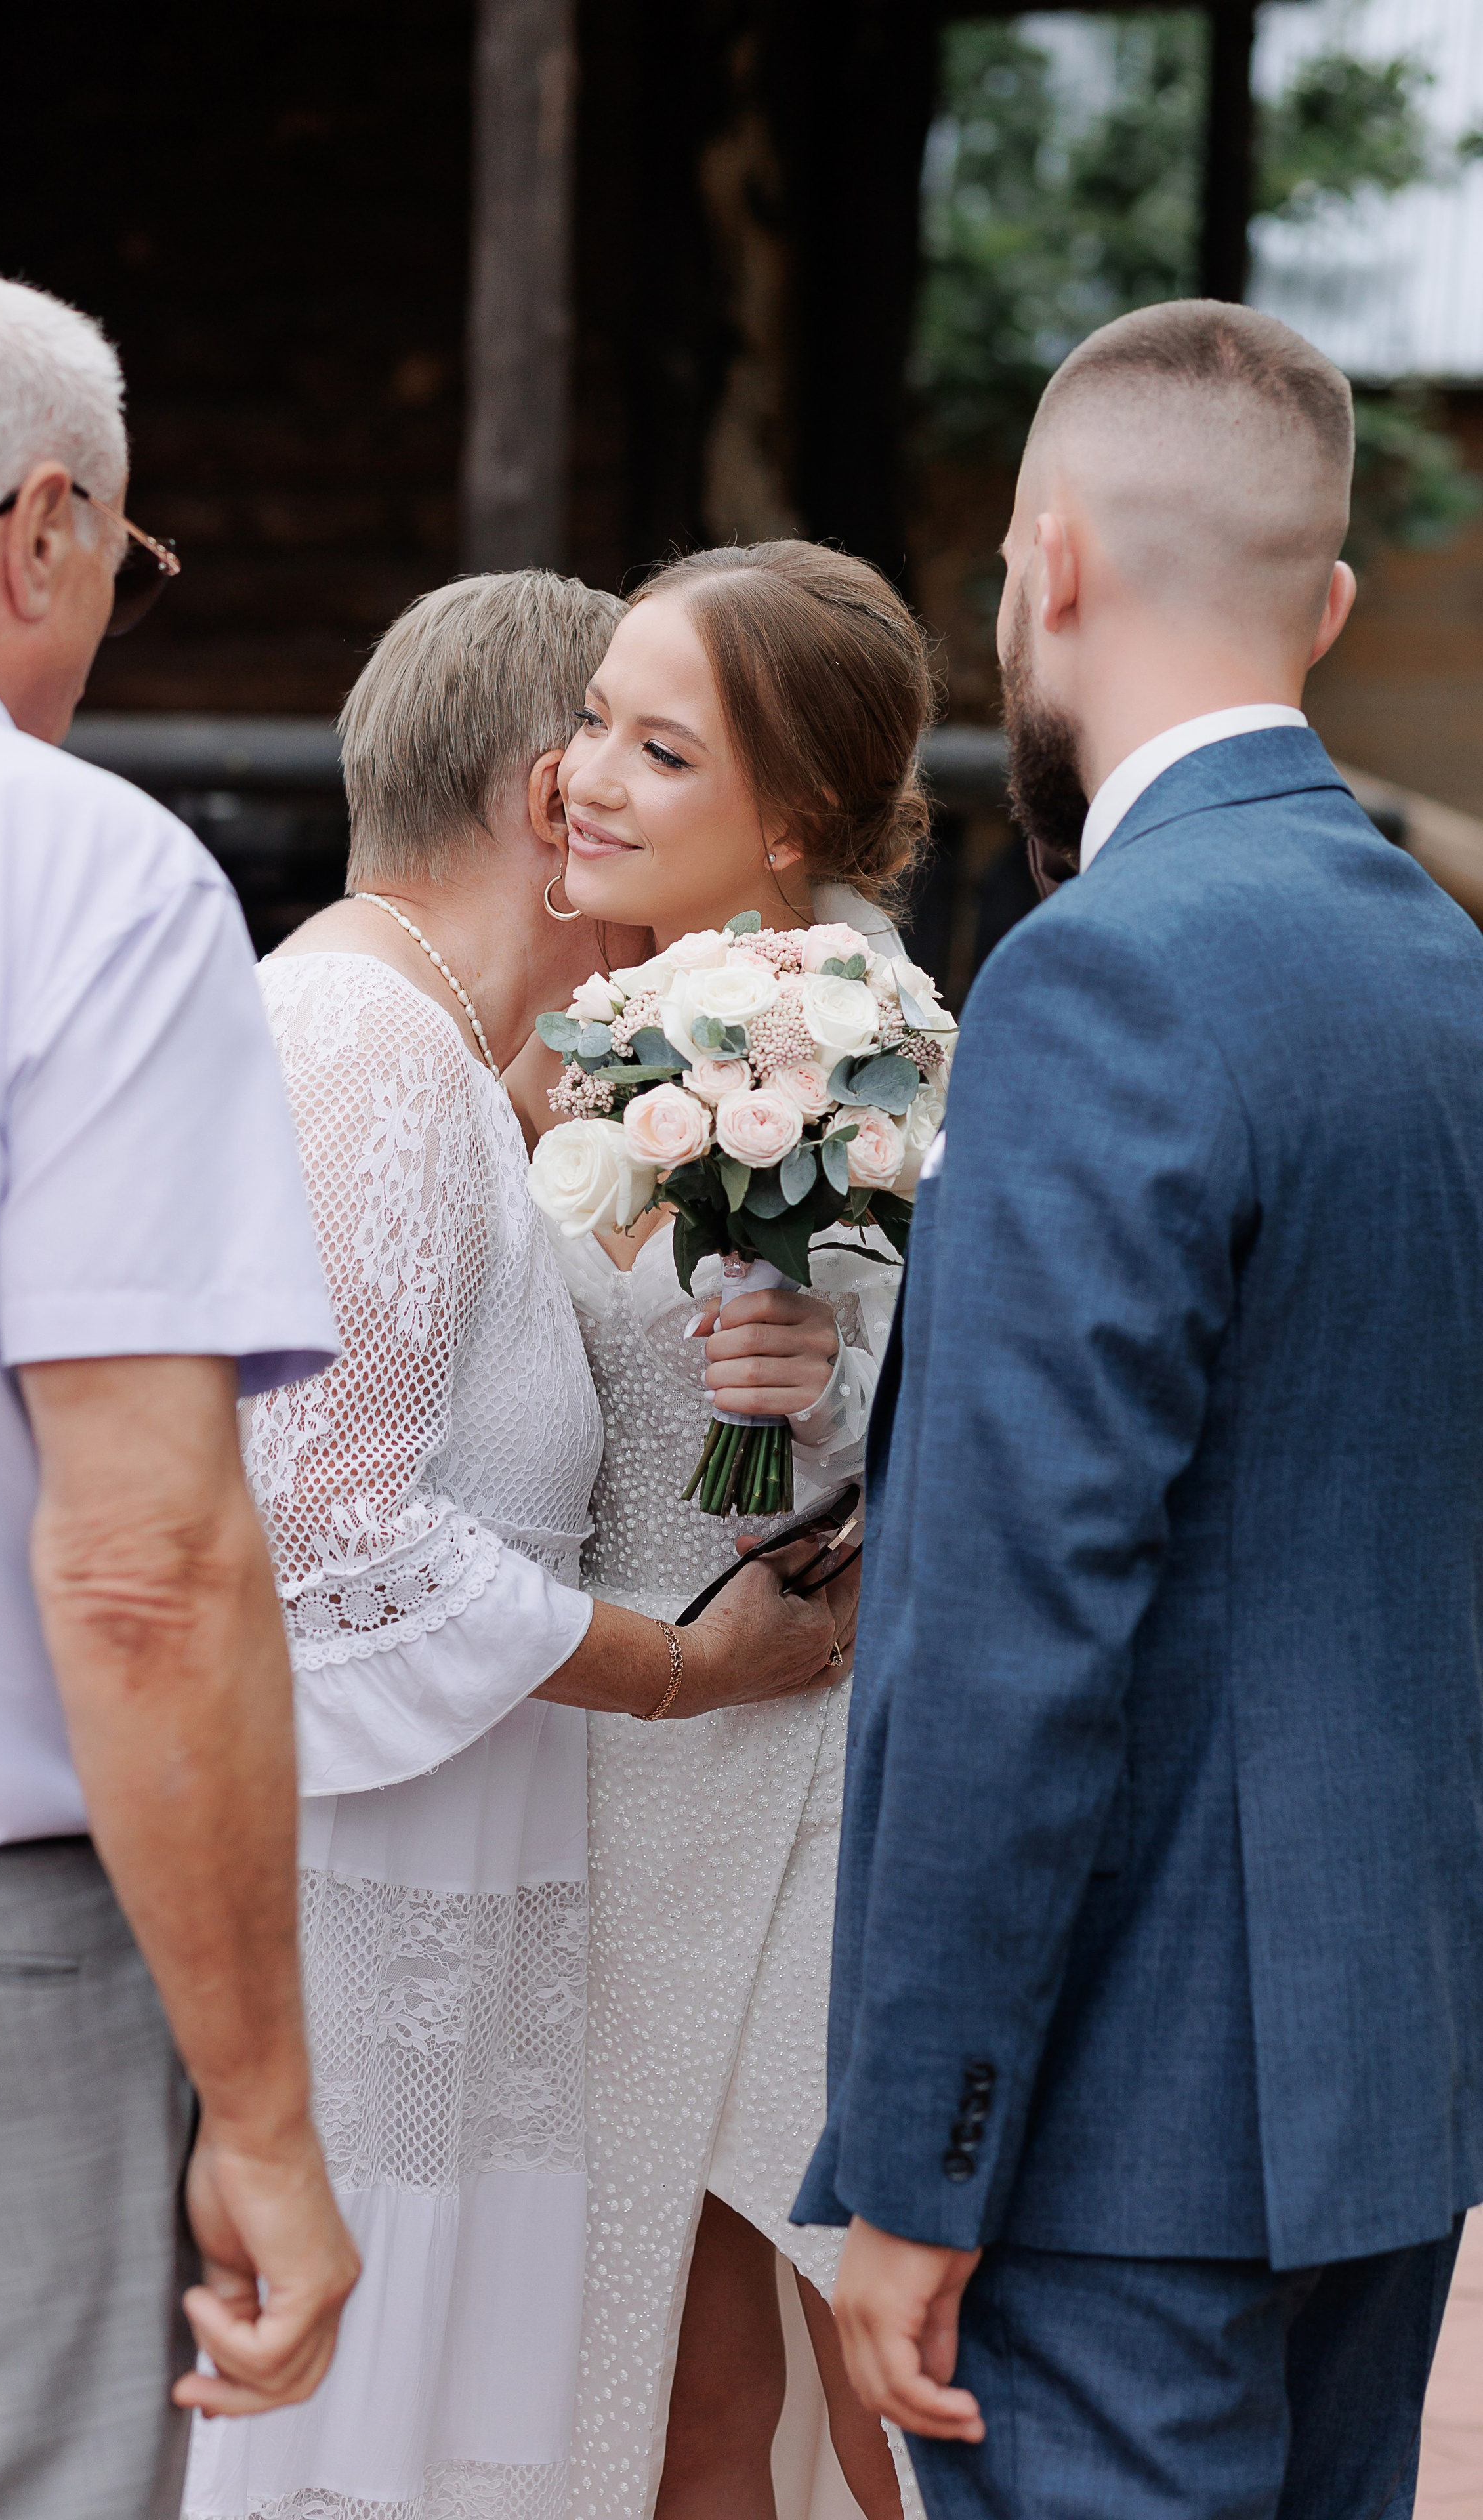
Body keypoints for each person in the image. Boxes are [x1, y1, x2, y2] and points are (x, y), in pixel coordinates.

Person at [799, 299, 1483, 2519]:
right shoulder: (1441, 960)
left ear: (1048, 563)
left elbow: (1014, 1621)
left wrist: (918, 2154)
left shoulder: (1106, 968)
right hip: (1387, 2079)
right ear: (1338, 605)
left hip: (1119, 2128)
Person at [180, 570, 854, 2520]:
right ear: (544, 796)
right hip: (379, 1888)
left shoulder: (443, 1054)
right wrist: (684, 1669)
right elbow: (333, 1531)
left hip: (467, 1876)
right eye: (614, 749)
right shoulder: (370, 1049)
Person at [0, 266, 360, 2520]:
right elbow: (141, 1562)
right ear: (42, 528)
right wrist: (264, 2113)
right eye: (122, 572)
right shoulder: (67, 865)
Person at [512, 541, 947, 2520]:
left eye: (656, 748)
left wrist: (823, 1402)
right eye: (595, 719)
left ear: (791, 823)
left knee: (880, 2371)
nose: (588, 771)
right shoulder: (581, 1043)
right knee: (662, 2379)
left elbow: (957, 1438)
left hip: (814, 1790)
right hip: (614, 1771)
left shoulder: (894, 1071)